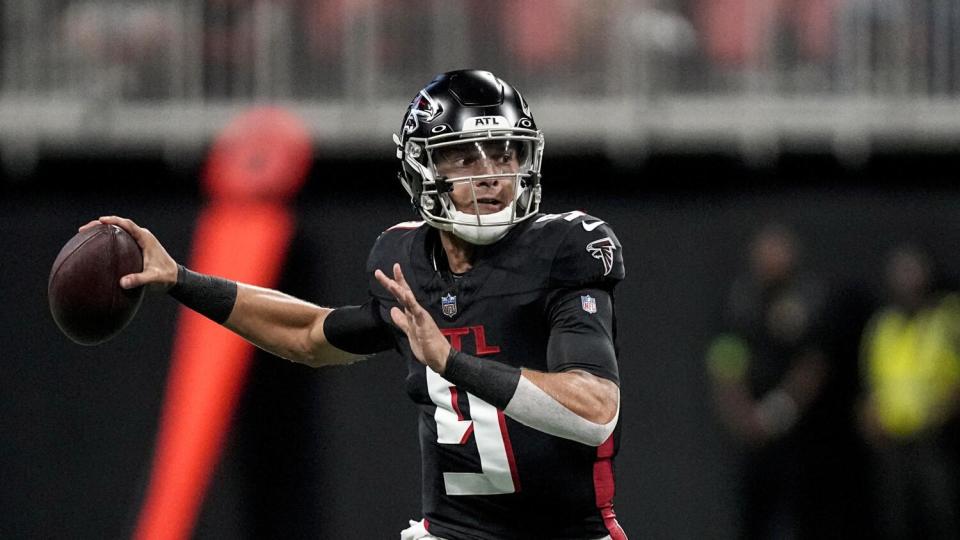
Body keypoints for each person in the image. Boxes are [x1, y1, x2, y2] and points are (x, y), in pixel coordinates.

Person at [83, 70, 627, 540]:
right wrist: (181, 279)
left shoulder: (565, 250)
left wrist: (453, 363)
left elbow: (596, 410)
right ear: (425, 170)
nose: (490, 173)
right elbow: (309, 335)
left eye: (505, 154)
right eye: (464, 157)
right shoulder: (404, 259)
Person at [705, 224, 831, 539]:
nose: (770, 261)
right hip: (751, 434)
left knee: (801, 516)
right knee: (752, 518)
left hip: (799, 436)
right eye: (764, 253)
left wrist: (777, 412)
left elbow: (812, 364)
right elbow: (725, 360)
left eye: (778, 253)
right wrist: (742, 415)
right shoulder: (740, 300)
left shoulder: (808, 299)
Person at [858, 244, 960, 539]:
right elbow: (871, 381)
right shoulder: (883, 325)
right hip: (892, 441)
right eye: (901, 274)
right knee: (896, 518)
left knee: (942, 515)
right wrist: (870, 414)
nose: (908, 282)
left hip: (937, 439)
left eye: (913, 272)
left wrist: (948, 406)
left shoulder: (948, 317)